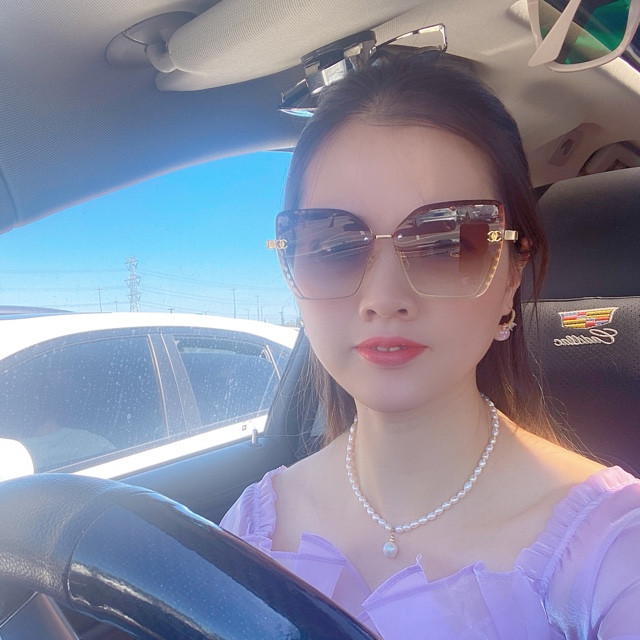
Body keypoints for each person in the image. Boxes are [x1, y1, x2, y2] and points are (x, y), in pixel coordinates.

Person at [221, 55, 640, 638]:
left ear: (512, 275)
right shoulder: (249, 526)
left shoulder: (616, 555)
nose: (383, 298)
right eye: (333, 245)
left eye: (447, 243)